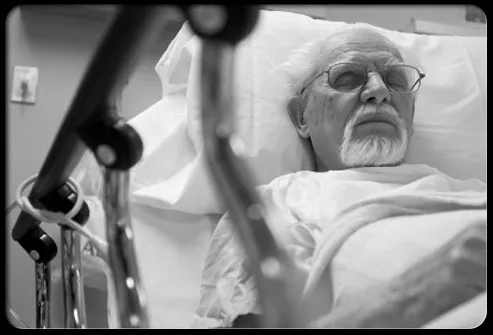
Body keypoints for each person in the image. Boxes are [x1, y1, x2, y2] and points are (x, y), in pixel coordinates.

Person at [191, 25, 486, 328]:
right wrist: (417, 294)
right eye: (347, 79)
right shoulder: (269, 206)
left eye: (395, 81)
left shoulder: (474, 193)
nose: (379, 92)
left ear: (410, 113)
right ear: (302, 116)